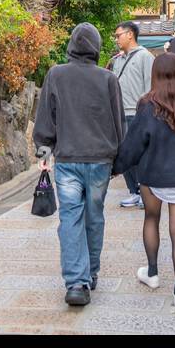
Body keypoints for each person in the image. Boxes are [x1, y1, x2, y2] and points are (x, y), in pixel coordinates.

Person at [33, 23, 124, 306]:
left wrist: (43, 149)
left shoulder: (56, 75)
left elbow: (46, 116)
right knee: (94, 216)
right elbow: (119, 123)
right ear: (96, 48)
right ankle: (91, 272)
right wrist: (118, 161)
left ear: (71, 45)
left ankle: (76, 282)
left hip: (68, 159)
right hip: (99, 160)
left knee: (70, 218)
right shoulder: (108, 79)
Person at [114, 53, 175, 308]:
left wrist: (115, 167)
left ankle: (153, 273)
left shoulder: (147, 104)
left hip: (152, 176)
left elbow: (134, 144)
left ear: (155, 74)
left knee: (151, 219)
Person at [109, 21, 154, 208]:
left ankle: (145, 192)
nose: (116, 39)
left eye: (118, 35)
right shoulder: (117, 59)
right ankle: (133, 191)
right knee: (123, 154)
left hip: (138, 114)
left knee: (141, 155)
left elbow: (150, 86)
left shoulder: (146, 57)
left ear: (130, 34)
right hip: (119, 112)